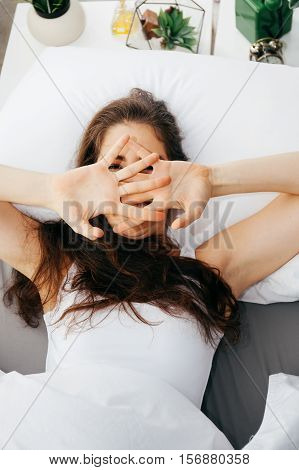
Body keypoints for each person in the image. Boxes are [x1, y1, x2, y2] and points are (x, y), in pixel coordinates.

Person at [0, 88, 299, 443]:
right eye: (114, 167)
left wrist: (209, 179)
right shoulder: (60, 266)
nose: (131, 184)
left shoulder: (211, 269)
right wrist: (51, 190)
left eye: (149, 167)